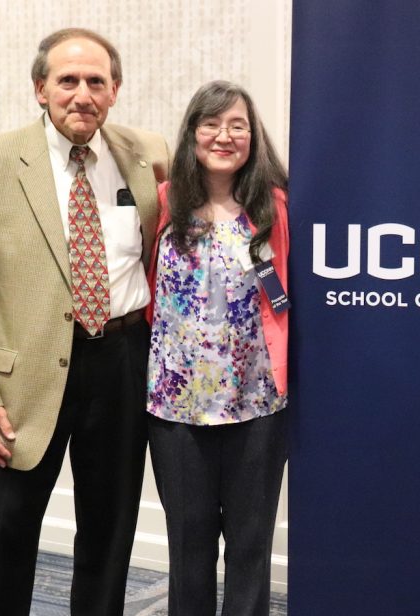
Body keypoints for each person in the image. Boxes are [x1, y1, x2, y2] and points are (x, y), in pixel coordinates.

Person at [0, 28, 169, 615]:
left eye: (97, 81)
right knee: (1, 535)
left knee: (110, 530)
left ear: (115, 90)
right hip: (21, 378)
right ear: (40, 88)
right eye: (67, 80)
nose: (82, 94)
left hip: (122, 361)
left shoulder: (143, 155)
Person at [144, 80, 289, 616]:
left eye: (238, 125)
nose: (224, 136)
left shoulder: (274, 206)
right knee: (188, 543)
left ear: (253, 137)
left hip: (257, 403)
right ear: (192, 132)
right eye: (212, 124)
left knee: (251, 544)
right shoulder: (162, 203)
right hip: (175, 407)